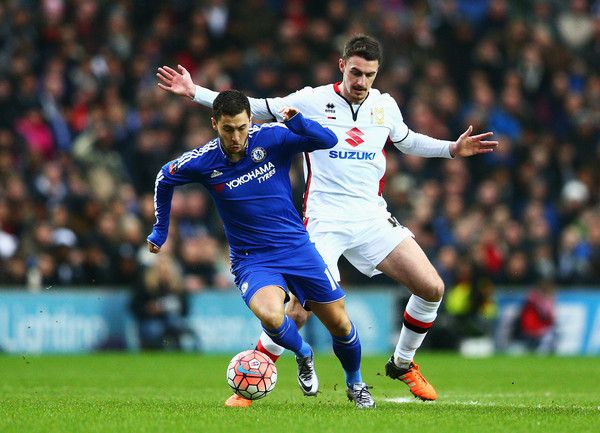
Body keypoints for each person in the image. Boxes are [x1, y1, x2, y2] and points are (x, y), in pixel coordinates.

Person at [157, 35, 497, 406]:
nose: (361, 81)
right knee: (299, 310)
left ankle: (402, 363)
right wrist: (195, 92)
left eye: (369, 75)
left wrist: (451, 149)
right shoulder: (312, 100)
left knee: (431, 287)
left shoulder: (385, 106)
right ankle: (250, 386)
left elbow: (407, 140)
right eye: (355, 72)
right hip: (324, 219)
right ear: (342, 66)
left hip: (371, 216)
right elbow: (252, 109)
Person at [147, 90, 375, 408]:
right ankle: (303, 353)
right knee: (271, 315)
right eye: (228, 129)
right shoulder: (204, 160)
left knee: (340, 323)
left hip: (297, 247)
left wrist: (298, 123)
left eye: (242, 127)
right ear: (214, 124)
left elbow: (327, 140)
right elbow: (164, 177)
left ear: (251, 121)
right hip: (252, 259)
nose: (235, 136)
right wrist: (160, 229)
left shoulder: (272, 137)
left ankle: (356, 383)